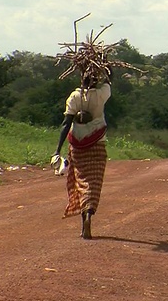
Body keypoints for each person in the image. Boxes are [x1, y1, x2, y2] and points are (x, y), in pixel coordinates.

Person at [51, 69, 112, 239]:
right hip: (97, 144)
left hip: (77, 146)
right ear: (95, 81)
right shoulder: (101, 95)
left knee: (80, 182)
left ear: (81, 80)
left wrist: (57, 149)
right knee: (94, 182)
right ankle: (89, 213)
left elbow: (66, 123)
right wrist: (106, 67)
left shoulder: (74, 97)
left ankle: (82, 219)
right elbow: (109, 81)